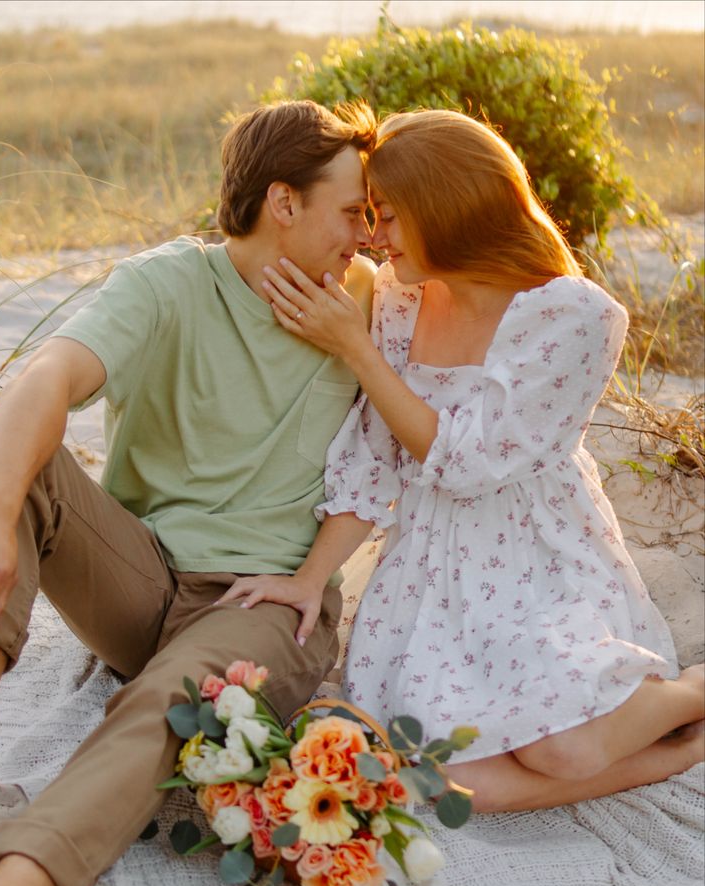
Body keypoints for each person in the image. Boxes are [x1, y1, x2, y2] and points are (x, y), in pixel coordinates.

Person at [0, 99, 377, 886]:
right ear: (283, 202)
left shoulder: (371, 302)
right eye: (351, 210)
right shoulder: (167, 283)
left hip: (265, 605)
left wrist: (359, 348)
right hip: (144, 577)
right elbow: (49, 373)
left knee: (170, 705)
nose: (364, 233)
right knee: (1, 460)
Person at [218, 109, 704, 813]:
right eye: (369, 216)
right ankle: (686, 750)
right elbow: (374, 455)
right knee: (446, 780)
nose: (371, 236)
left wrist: (352, 348)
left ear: (446, 209)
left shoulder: (575, 316)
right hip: (430, 570)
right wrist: (308, 579)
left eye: (387, 216)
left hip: (536, 565)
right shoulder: (396, 299)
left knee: (557, 748)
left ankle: (690, 693)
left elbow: (469, 462)